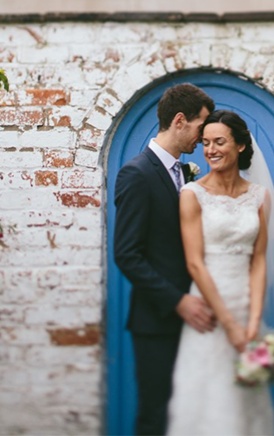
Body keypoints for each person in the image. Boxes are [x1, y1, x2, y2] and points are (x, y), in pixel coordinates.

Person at [113, 83, 217, 436]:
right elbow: (126, 253)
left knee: (191, 417)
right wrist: (178, 302)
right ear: (179, 121)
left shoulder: (185, 173)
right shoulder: (137, 173)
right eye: (202, 127)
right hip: (157, 321)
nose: (204, 139)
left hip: (196, 320)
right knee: (156, 417)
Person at [166, 110, 274, 436]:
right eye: (205, 143)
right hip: (210, 312)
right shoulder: (191, 194)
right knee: (207, 400)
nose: (211, 150)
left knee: (245, 405)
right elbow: (194, 263)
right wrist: (228, 323)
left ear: (241, 145)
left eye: (219, 142)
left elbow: (258, 259)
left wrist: (253, 320)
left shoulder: (259, 196)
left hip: (246, 308)